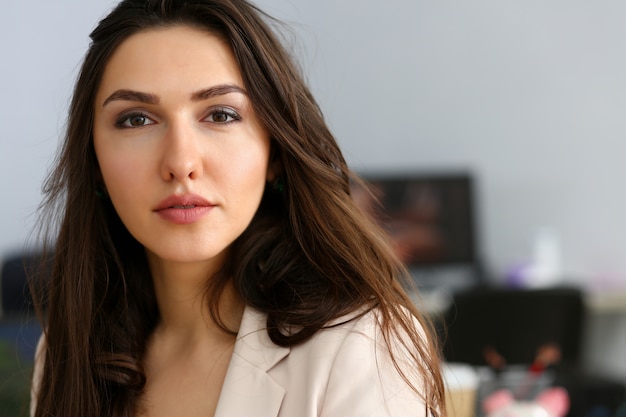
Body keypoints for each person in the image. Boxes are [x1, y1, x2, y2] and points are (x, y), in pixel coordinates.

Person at [30, 0, 446, 416]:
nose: (181, 163)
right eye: (137, 120)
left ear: (275, 152)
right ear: (94, 162)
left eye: (221, 114)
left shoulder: (358, 347)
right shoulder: (64, 354)